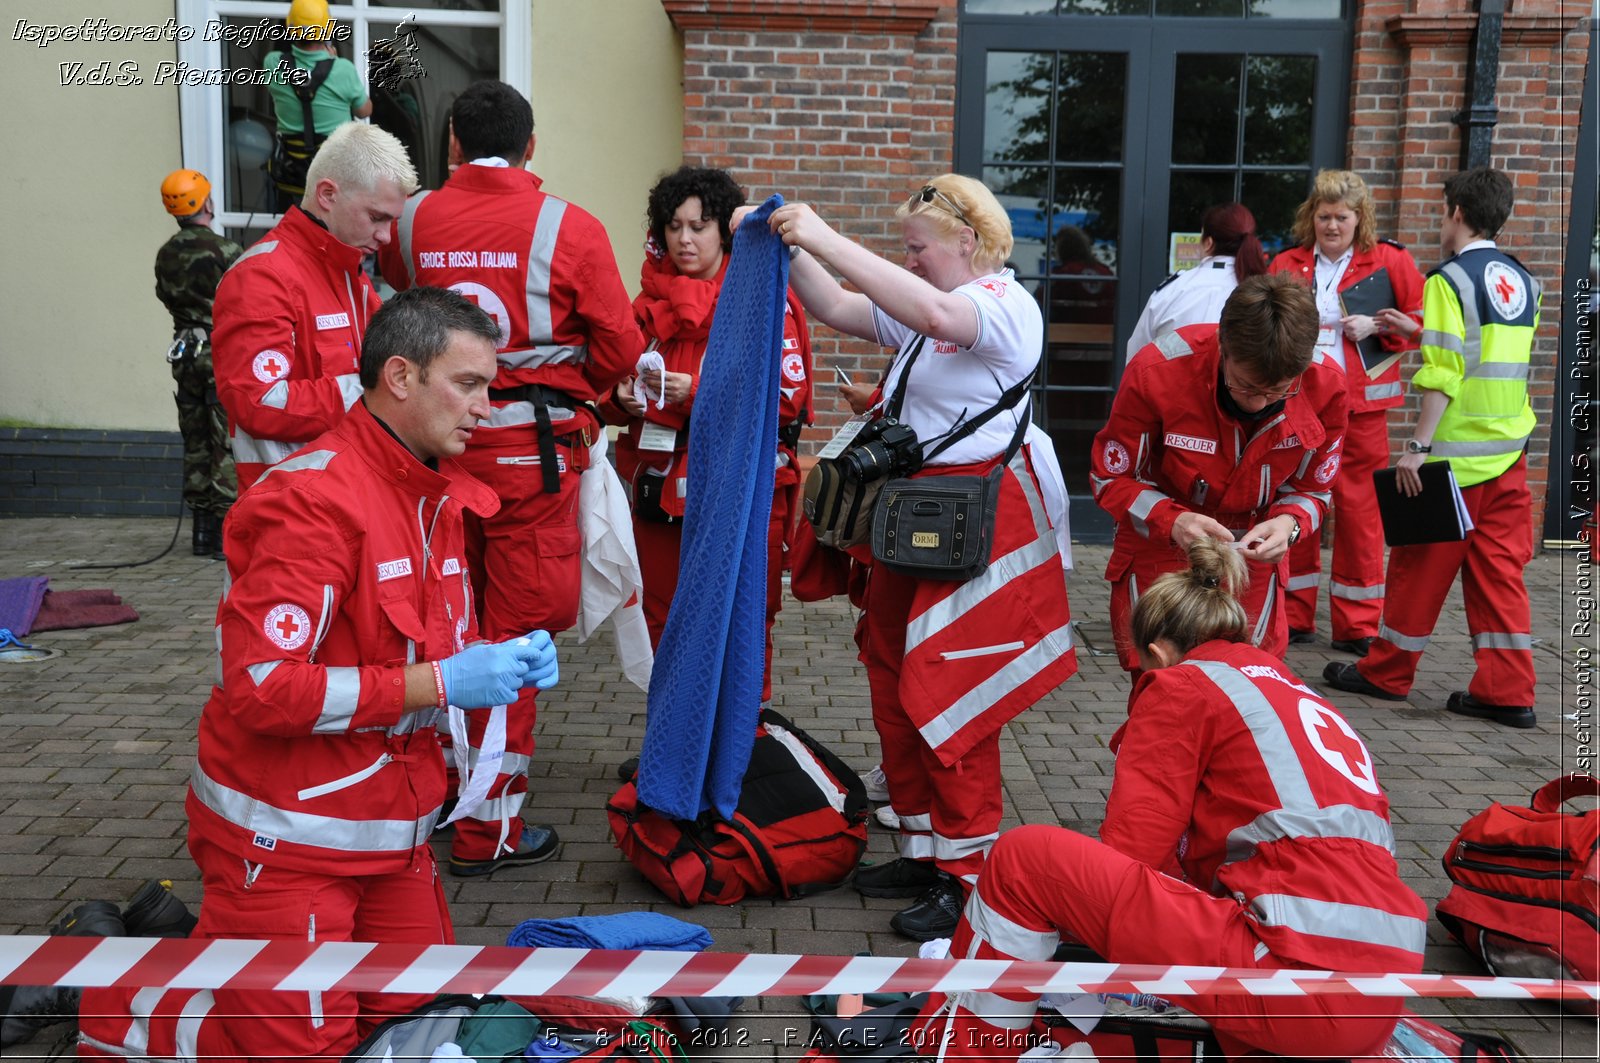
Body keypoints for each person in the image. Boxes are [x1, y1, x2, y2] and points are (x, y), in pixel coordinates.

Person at [179, 286, 560, 1059]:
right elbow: (261, 687)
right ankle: (111, 1003)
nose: (488, 407)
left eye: (491, 386)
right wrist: (446, 682)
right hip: (287, 845)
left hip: (391, 834)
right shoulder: (315, 501)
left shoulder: (431, 491)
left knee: (416, 1036)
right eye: (470, 384)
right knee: (299, 1051)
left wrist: (499, 660)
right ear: (399, 376)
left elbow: (417, 643)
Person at [911, 539, 1427, 1060]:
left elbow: (1132, 851)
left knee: (1026, 862)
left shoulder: (1184, 685)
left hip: (1292, 975)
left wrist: (1026, 936)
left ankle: (957, 1049)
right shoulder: (1294, 694)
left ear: (1156, 653)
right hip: (1376, 991)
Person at [768, 175, 1077, 941]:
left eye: (918, 247)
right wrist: (786, 238)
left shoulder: (1005, 305)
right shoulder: (926, 306)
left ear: (967, 241)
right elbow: (836, 305)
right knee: (888, 668)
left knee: (950, 685)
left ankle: (965, 870)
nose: (909, 260)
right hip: (919, 514)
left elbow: (937, 312)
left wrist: (822, 235)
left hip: (979, 515)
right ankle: (918, 842)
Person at [377, 79, 643, 875]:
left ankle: (424, 800)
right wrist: (577, 395)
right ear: (532, 147)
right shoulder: (571, 227)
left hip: (426, 460)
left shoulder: (412, 219)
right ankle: (489, 828)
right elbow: (624, 354)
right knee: (513, 640)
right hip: (532, 463)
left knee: (431, 629)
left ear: (452, 144)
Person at [1323, 167, 1540, 730]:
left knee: (1417, 569)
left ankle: (1387, 673)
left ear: (1459, 214)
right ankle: (1508, 691)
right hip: (1509, 455)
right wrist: (1418, 333)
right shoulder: (1523, 280)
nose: (1441, 223)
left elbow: (1445, 374)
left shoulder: (1450, 280)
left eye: (1444, 213)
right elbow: (1486, 351)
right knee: (1500, 574)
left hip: (1453, 458)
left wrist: (1415, 447)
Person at [600, 166, 812, 704]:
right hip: (658, 493)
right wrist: (621, 398)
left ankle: (739, 757)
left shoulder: (762, 299)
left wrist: (694, 392)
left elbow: (786, 401)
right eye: (674, 226)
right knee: (663, 623)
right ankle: (671, 755)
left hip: (737, 492)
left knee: (741, 624)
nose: (685, 239)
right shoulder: (645, 306)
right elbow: (606, 380)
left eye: (699, 226)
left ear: (725, 231)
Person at [1091, 273, 1348, 678]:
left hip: (1253, 553)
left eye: (1279, 391)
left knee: (1253, 685)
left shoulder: (1326, 385)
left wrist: (1288, 525)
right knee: (1163, 687)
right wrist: (1172, 520)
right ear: (1223, 348)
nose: (1260, 402)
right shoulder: (1158, 371)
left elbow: (1316, 489)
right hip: (1165, 545)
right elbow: (1110, 479)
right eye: (1246, 386)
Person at [213, 121, 416, 491]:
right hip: (290, 505)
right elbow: (256, 401)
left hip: (346, 492)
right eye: (376, 217)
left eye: (392, 221)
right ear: (327, 194)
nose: (386, 236)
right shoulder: (262, 276)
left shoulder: (351, 275)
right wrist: (379, 390)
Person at [1271, 171, 1425, 654]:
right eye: (1323, 216)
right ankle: (1293, 615)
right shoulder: (1287, 263)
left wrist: (1379, 326)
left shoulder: (1390, 261)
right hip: (1299, 401)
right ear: (1310, 217)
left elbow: (1423, 325)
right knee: (1294, 503)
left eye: (1341, 217)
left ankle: (1357, 624)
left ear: (1360, 219)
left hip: (1362, 410)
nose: (1331, 226)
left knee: (1360, 516)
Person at [153, 169, 242, 558]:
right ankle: (224, 533)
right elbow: (244, 297)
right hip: (219, 353)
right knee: (223, 438)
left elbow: (163, 295)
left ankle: (201, 534)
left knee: (195, 438)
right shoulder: (226, 251)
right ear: (206, 202)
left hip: (185, 354)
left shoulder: (166, 253)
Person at [262, 0, 373, 212]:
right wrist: (332, 62)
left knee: (302, 225)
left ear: (290, 28)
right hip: (335, 173)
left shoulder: (272, 63)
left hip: (293, 171)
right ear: (327, 28)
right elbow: (364, 110)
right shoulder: (342, 70)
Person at [1125, 202, 1266, 360]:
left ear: (1208, 243)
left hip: (1172, 382)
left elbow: (1136, 357)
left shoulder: (1173, 290)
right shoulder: (1266, 294)